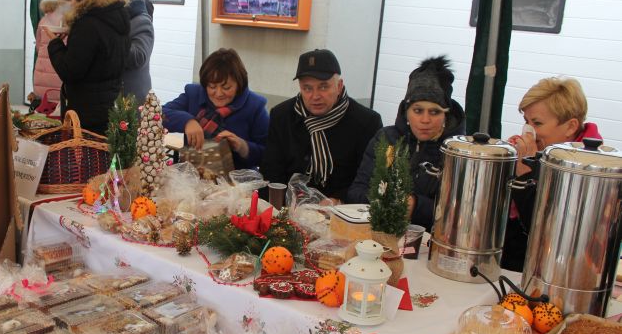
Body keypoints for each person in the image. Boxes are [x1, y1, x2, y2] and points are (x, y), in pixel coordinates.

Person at [347, 56, 465, 230]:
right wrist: (386, 199)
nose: (425, 120)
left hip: (430, 239)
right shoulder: (386, 139)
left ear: (446, 115)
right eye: (418, 110)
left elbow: (459, 214)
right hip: (377, 233)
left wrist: (416, 206)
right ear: (406, 112)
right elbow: (356, 191)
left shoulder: (458, 153)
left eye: (434, 112)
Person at [501, 77, 602, 271]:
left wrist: (525, 175)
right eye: (526, 122)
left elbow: (547, 231)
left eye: (537, 123)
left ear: (571, 126)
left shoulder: (588, 169)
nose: (528, 132)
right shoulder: (546, 153)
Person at [261, 49, 383, 202]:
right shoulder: (282, 116)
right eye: (307, 88)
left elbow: (370, 181)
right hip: (290, 207)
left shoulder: (367, 122)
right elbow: (271, 172)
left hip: (342, 210)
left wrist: (339, 200)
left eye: (323, 87)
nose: (315, 96)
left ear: (339, 86)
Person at [48, 0, 130, 135]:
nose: (71, 1)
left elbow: (69, 71)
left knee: (84, 151)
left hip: (86, 112)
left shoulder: (87, 23)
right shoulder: (117, 17)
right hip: (110, 105)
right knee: (104, 148)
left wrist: (55, 44)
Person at [163, 48, 269, 170]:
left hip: (236, 178)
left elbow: (268, 154)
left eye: (226, 87)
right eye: (212, 86)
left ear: (239, 84)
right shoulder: (194, 94)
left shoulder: (254, 106)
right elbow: (159, 114)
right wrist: (187, 121)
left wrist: (242, 146)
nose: (218, 93)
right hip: (192, 174)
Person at [105, 0, 154, 103]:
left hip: (131, 100)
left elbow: (138, 57)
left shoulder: (141, 20)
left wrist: (108, 37)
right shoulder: (110, 19)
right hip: (111, 96)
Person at [32, 0, 71, 111]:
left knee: (45, 113)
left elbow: (38, 47)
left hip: (42, 75)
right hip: (61, 76)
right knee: (62, 114)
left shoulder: (44, 19)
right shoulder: (72, 20)